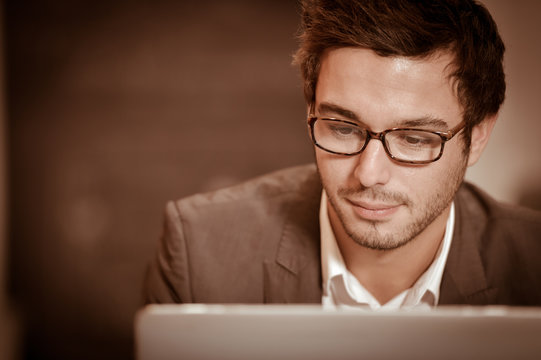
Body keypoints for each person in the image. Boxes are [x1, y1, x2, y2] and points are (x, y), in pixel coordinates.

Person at [144, 0, 541, 309]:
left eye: (415, 139)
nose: (368, 174)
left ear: (479, 135)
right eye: (343, 128)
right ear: (310, 110)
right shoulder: (199, 252)